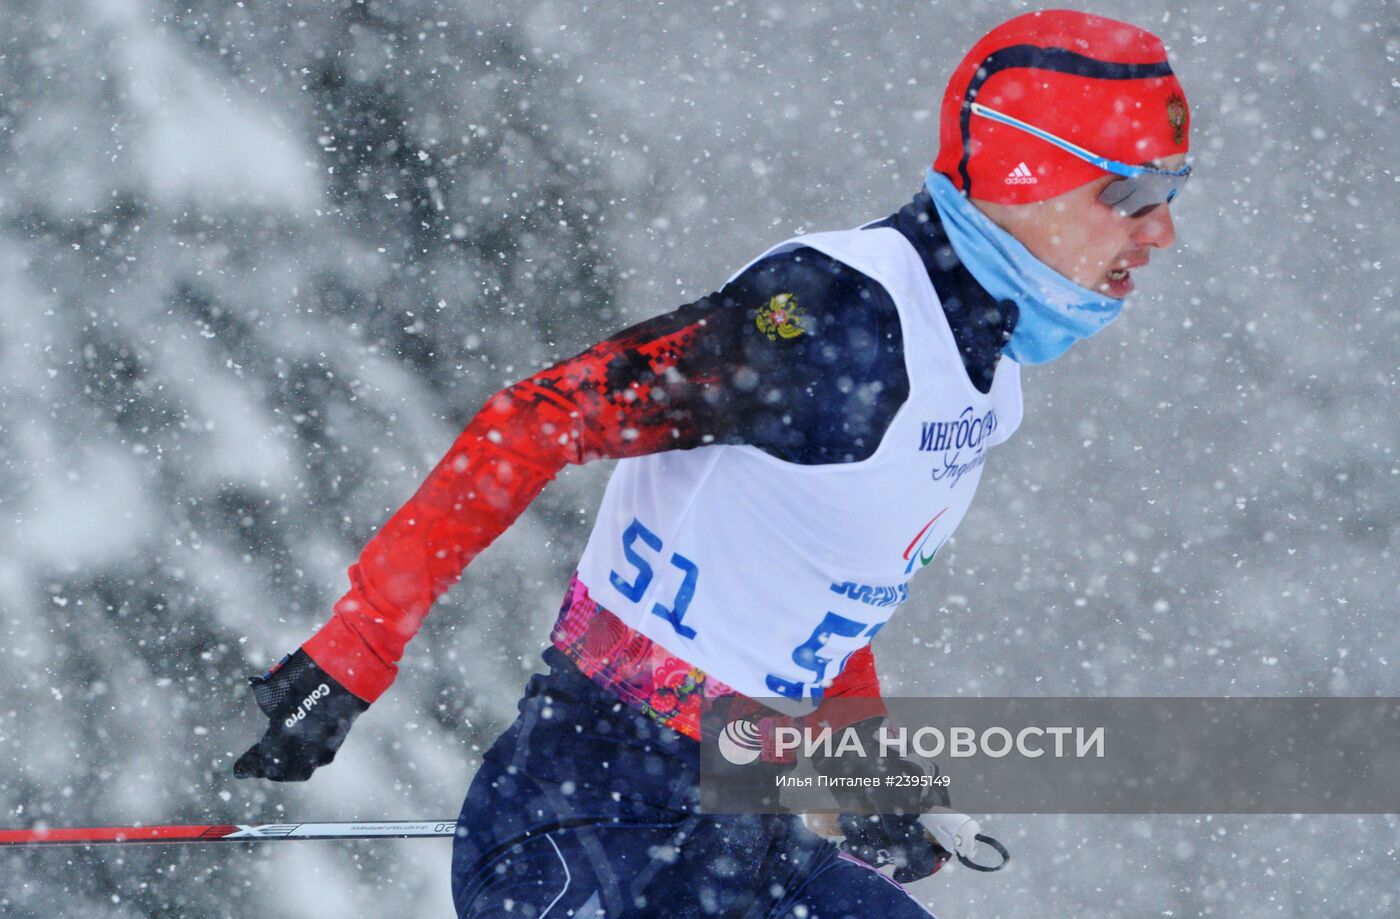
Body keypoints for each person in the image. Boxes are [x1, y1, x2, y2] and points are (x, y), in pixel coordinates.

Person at [233, 9, 1191, 917]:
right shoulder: (829, 318)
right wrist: (354, 652)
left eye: (1172, 196)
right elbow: (534, 419)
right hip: (586, 822)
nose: (1161, 231)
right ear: (1026, 176)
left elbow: (818, 584)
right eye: (1133, 195)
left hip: (745, 838)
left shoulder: (983, 377)